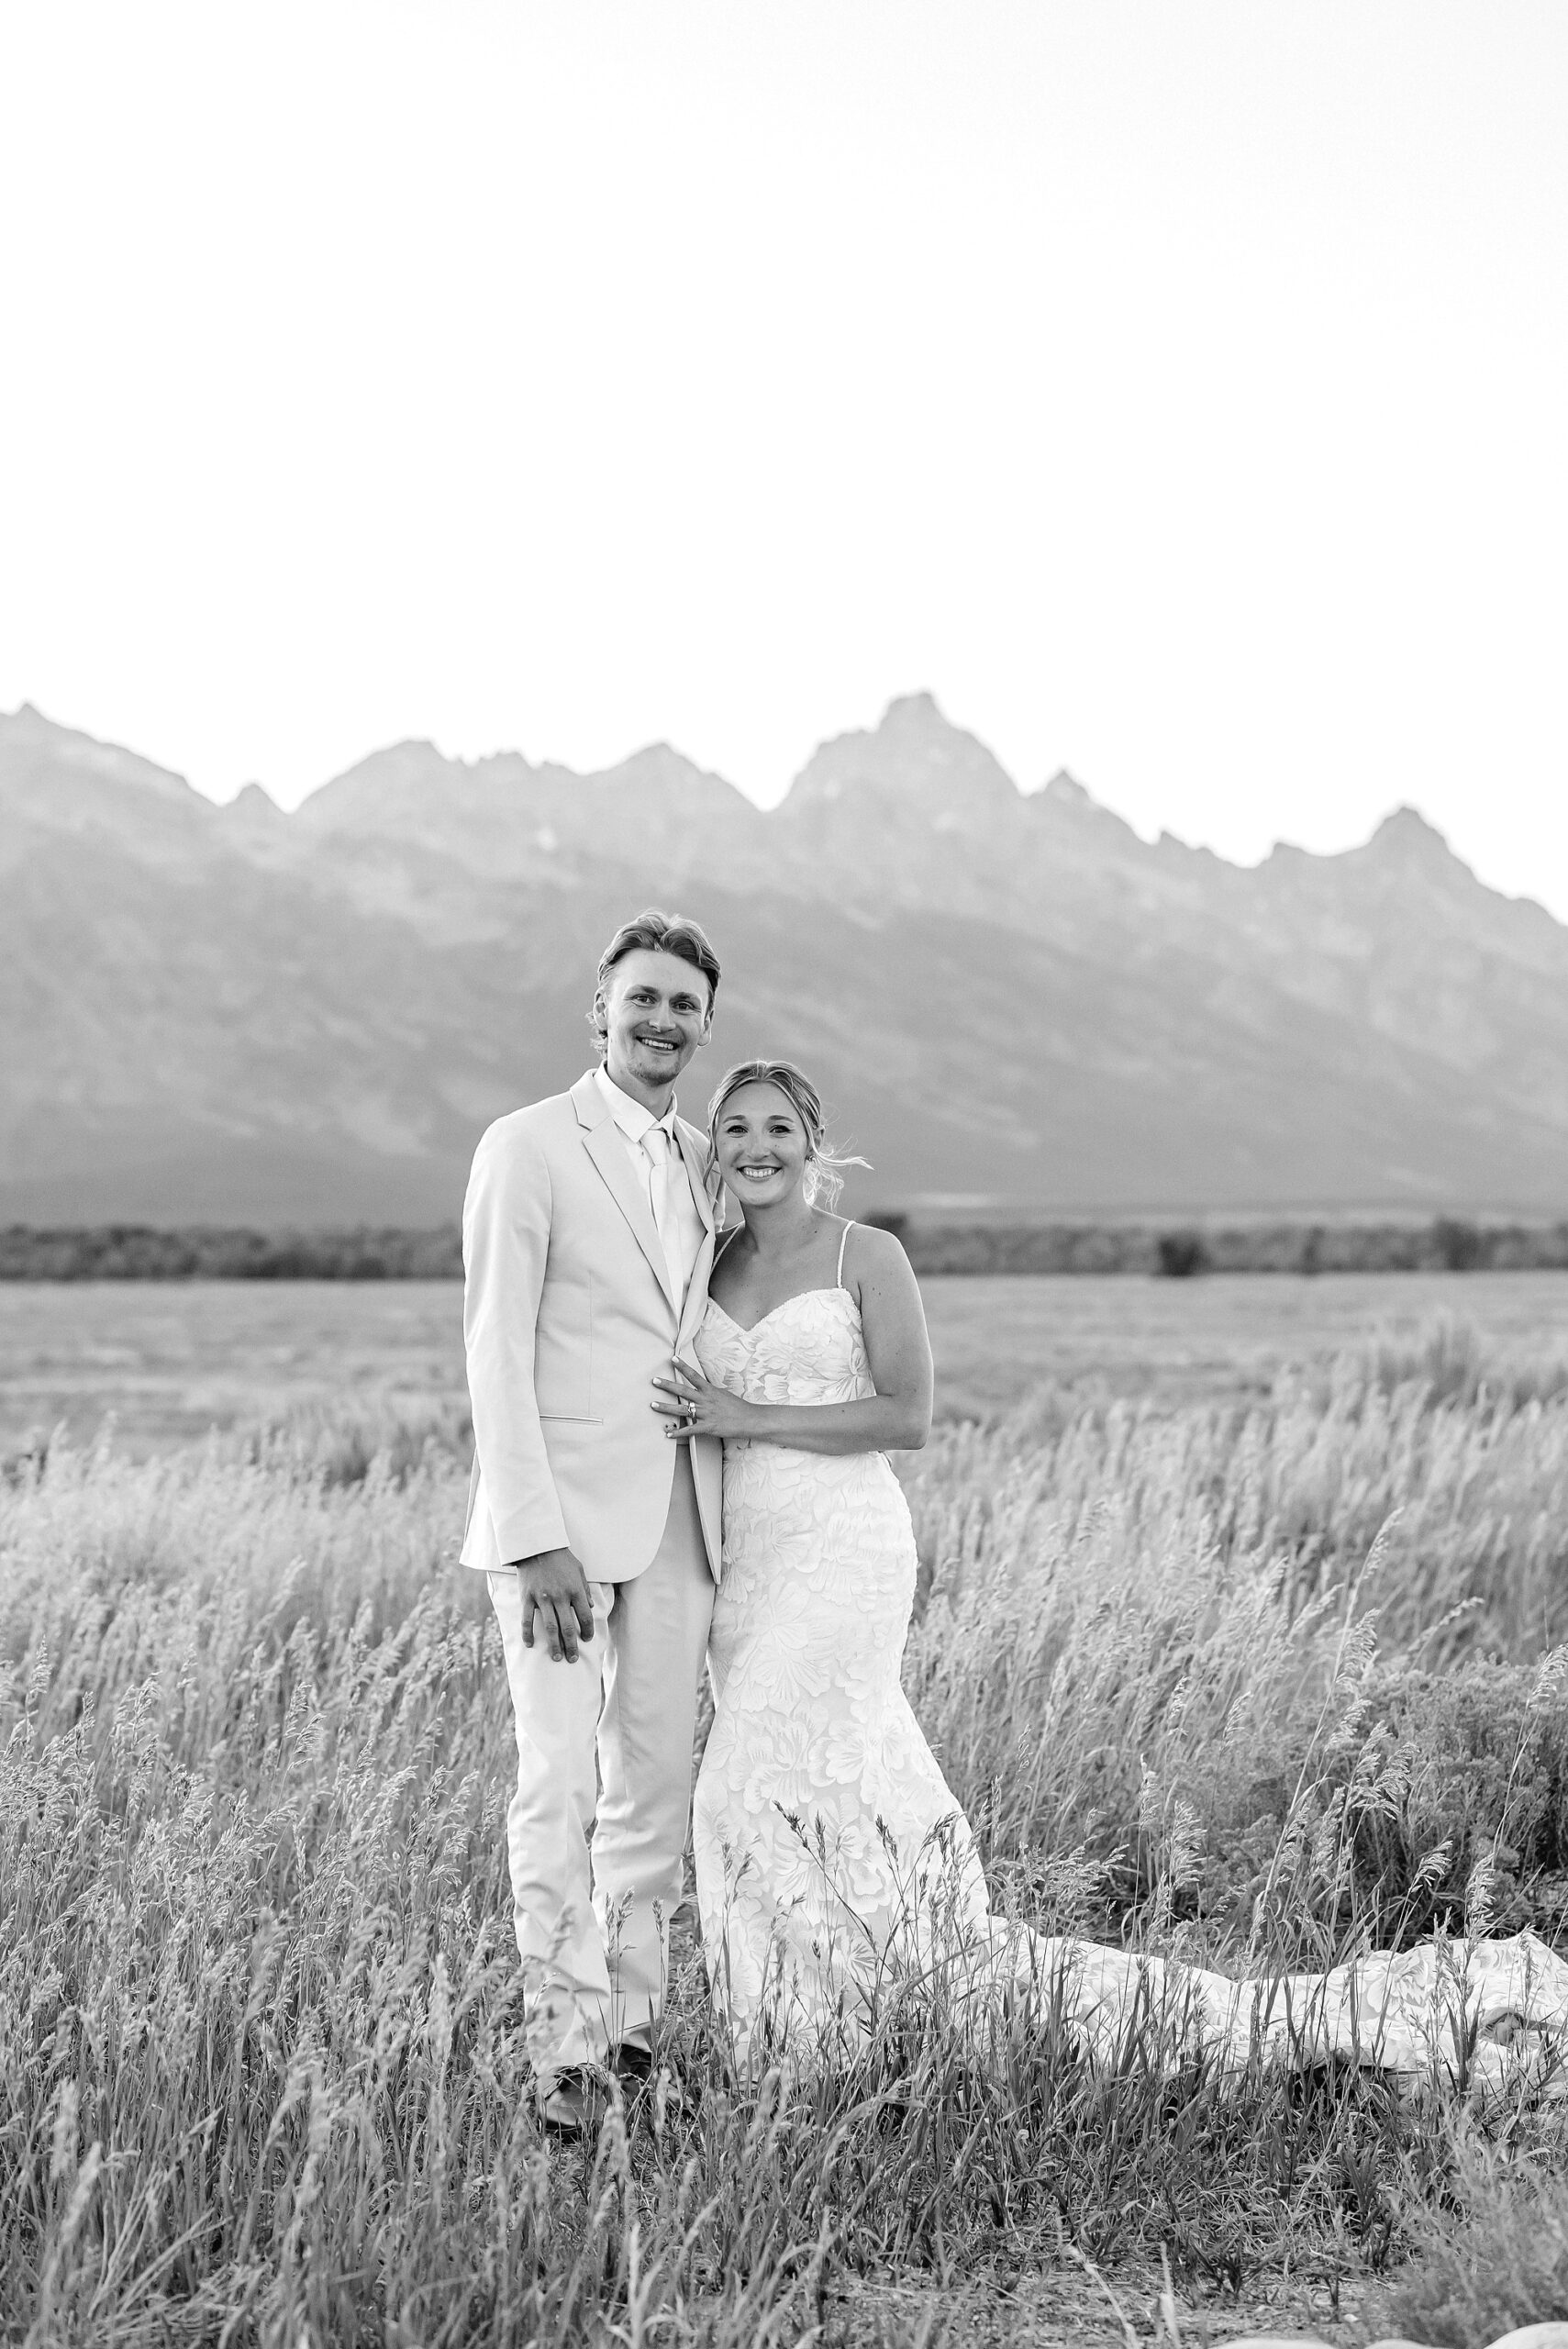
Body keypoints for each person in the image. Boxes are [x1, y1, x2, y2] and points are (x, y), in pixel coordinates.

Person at [651, 1057, 998, 2065]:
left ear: (811, 1142)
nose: (755, 1147)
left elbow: (909, 1413)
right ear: (712, 1148)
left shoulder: (865, 1253)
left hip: (842, 1547)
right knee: (816, 1785)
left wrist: (747, 1413)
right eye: (734, 1130)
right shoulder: (702, 1263)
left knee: (732, 1791)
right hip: (740, 1558)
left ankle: (805, 2039)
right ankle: (871, 2011)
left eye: (776, 1128)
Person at [462, 908, 724, 2133]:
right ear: (601, 1012)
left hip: (677, 1516)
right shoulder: (527, 1145)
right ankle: (560, 2054)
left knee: (653, 1791)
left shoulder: (700, 1161)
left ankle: (630, 2030)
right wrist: (531, 1533)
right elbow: (496, 1351)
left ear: (703, 1024)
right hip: (559, 1531)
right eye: (643, 999)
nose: (661, 1019)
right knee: (558, 1782)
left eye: (683, 1004)